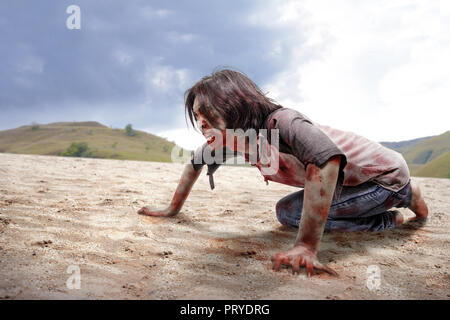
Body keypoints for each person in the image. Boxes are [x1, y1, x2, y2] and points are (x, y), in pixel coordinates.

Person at [138, 69, 428, 277]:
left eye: (209, 117)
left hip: (381, 177)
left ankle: (395, 206)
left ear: (236, 107)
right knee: (287, 211)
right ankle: (398, 200)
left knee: (289, 215)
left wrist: (306, 246)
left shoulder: (282, 123)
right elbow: (194, 163)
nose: (203, 126)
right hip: (358, 183)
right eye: (199, 120)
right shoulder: (231, 139)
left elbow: (327, 161)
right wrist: (172, 209)